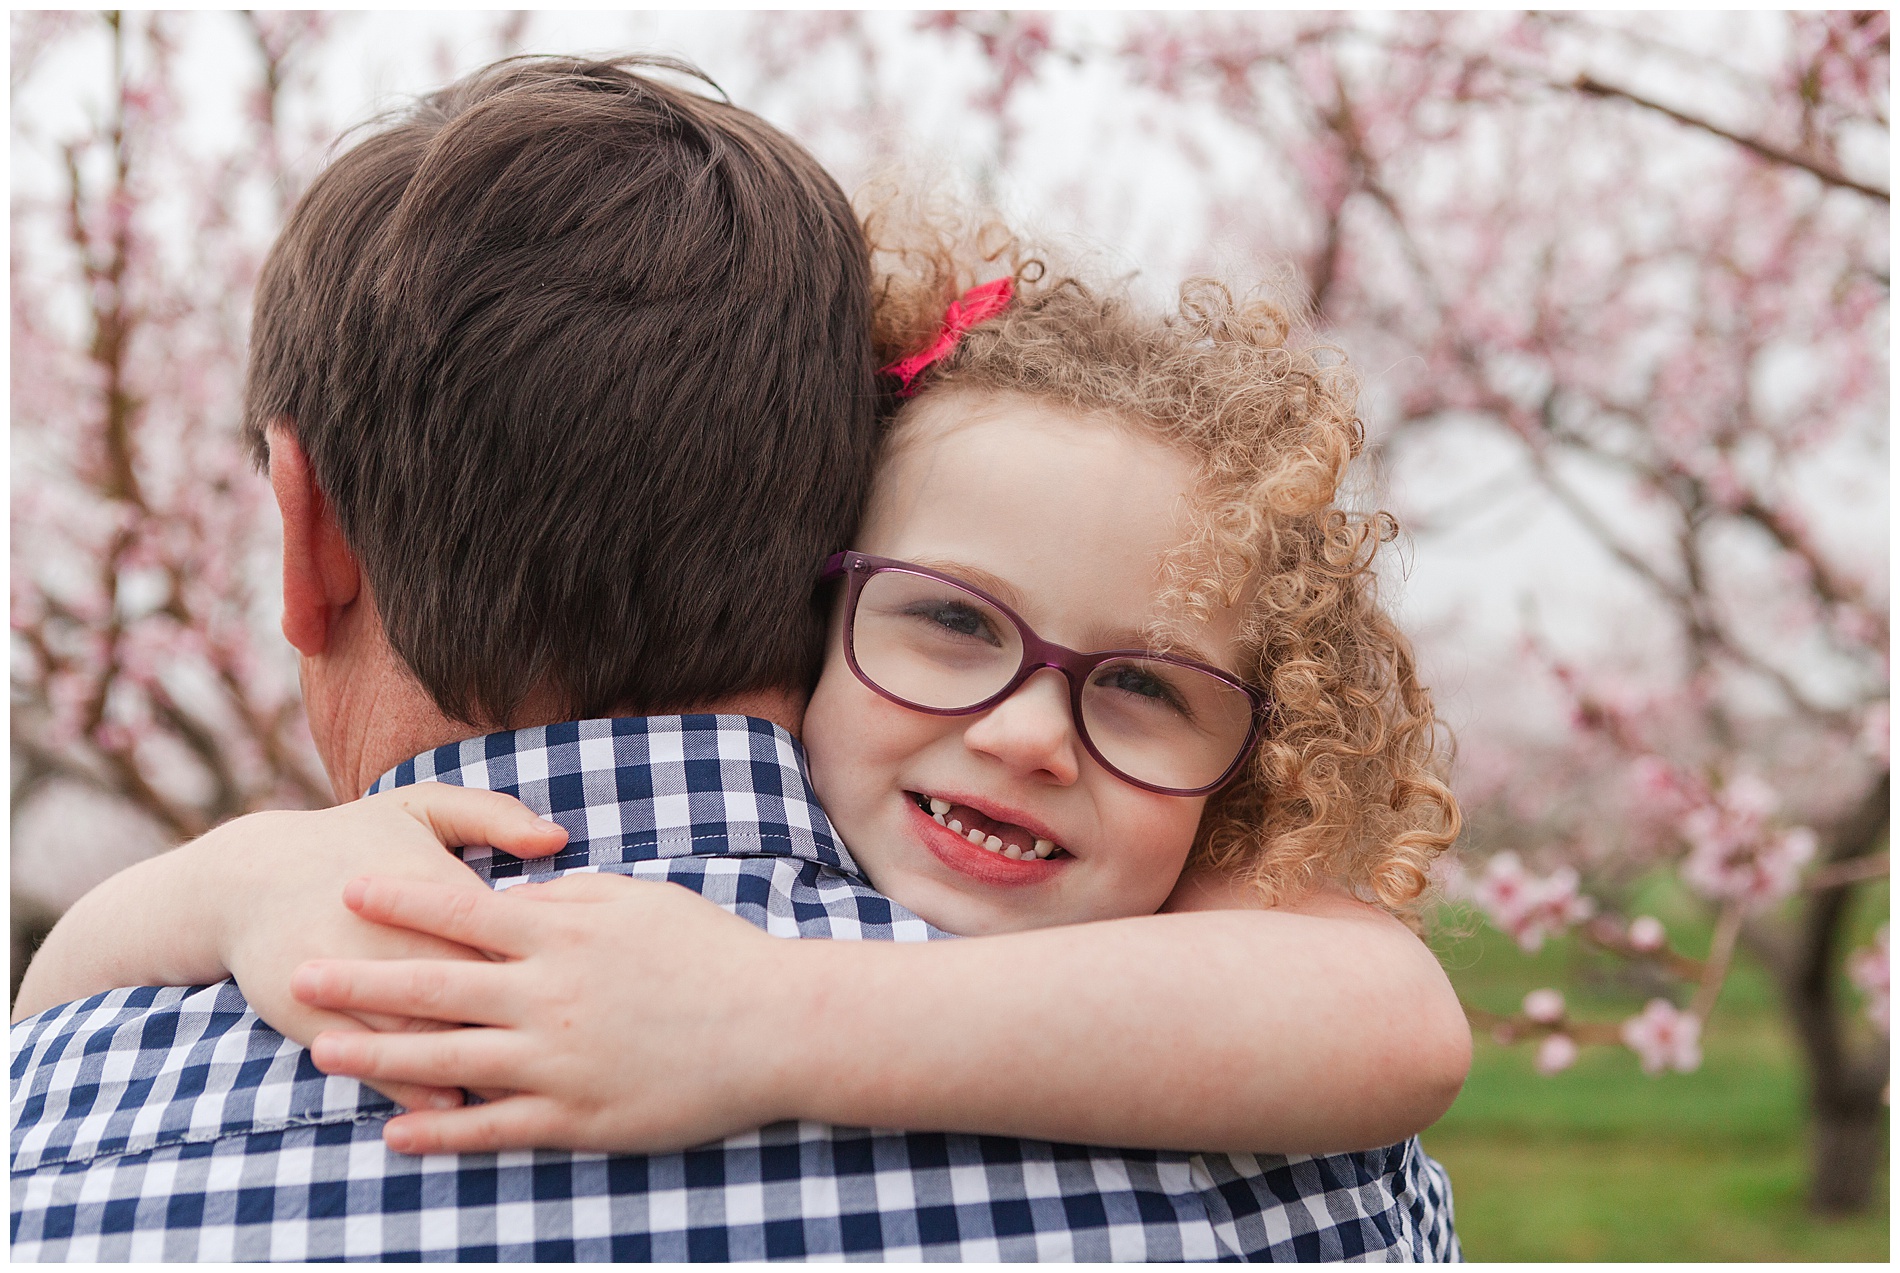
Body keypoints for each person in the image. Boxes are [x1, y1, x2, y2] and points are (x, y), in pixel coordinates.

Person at [10, 55, 1463, 1262]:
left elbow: (1394, 1011)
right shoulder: (1284, 1180)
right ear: (818, 557)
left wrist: (777, 1014)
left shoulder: (52, 1134)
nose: (1029, 733)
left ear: (303, 527)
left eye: (1145, 687)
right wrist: (246, 870)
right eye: (954, 619)